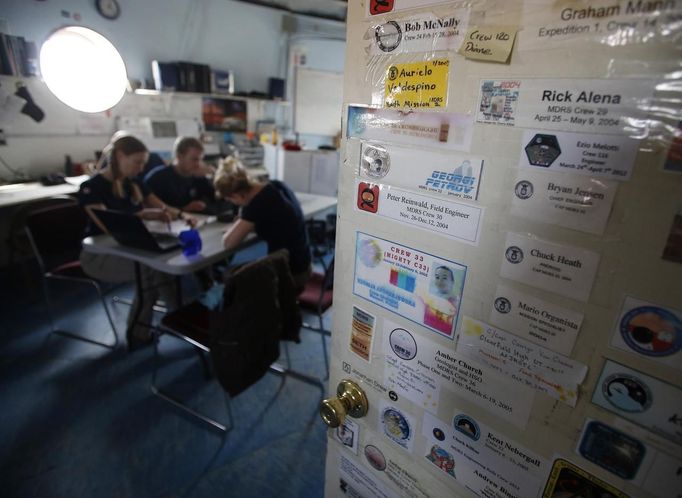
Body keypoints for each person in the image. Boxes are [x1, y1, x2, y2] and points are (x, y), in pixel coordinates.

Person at [78, 134, 183, 350]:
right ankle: (140, 332)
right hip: (99, 255)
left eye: (143, 164)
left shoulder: (134, 183)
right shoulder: (92, 187)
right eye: (137, 163)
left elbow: (161, 206)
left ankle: (179, 317)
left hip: (129, 248)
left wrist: (183, 214)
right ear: (119, 156)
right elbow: (111, 227)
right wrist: (143, 215)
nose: (140, 168)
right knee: (151, 270)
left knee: (164, 262)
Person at [213, 157, 311, 290]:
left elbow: (228, 243)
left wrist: (239, 223)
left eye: (230, 200)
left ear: (234, 196)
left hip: (291, 274)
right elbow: (274, 220)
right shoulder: (276, 185)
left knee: (229, 275)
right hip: (304, 263)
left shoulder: (257, 204)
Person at [144, 136, 215, 214]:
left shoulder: (198, 176)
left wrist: (214, 177)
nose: (198, 164)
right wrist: (183, 209)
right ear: (179, 157)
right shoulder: (158, 178)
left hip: (195, 221)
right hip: (165, 224)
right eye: (194, 159)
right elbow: (147, 208)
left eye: (200, 159)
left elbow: (217, 198)